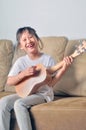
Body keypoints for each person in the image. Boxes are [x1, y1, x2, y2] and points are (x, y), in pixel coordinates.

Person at [0, 26, 73, 130]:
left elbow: (51, 83)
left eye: (31, 37)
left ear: (37, 39)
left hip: (43, 95)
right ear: (21, 46)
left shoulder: (47, 59)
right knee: (3, 102)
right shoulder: (21, 62)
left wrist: (64, 68)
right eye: (24, 39)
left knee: (19, 104)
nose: (28, 41)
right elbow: (9, 81)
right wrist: (23, 74)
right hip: (26, 93)